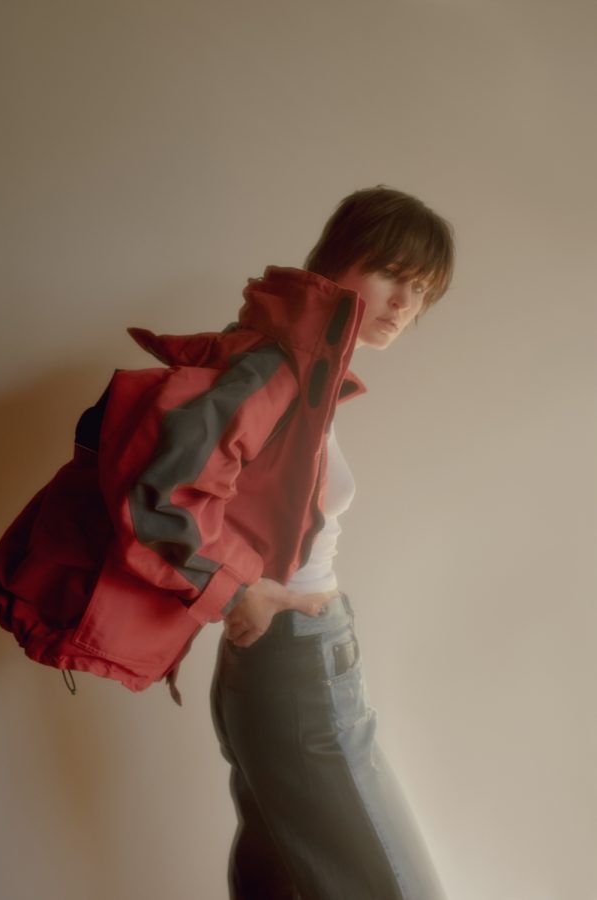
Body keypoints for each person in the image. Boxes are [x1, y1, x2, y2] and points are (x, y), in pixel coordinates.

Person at [209, 186, 455, 900]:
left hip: (283, 664)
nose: (403, 304)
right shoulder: (273, 365)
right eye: (391, 275)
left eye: (421, 291)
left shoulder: (304, 369)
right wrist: (232, 585)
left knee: (278, 880)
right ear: (335, 261)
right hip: (296, 666)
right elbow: (160, 488)